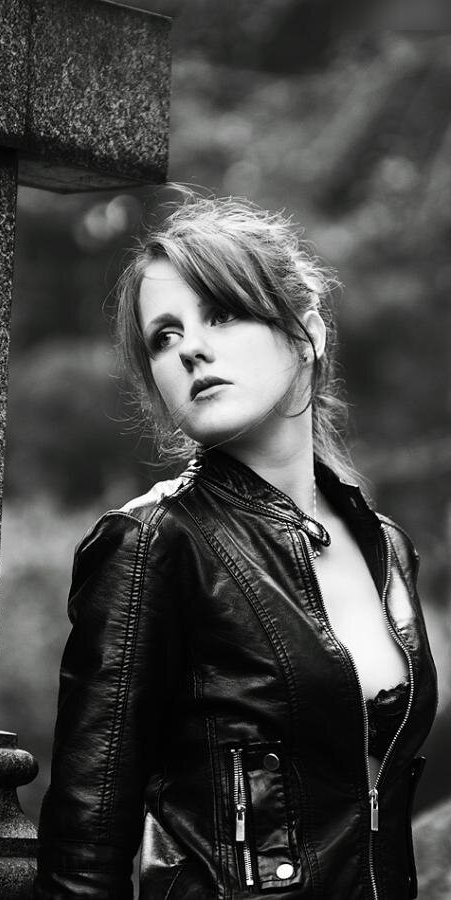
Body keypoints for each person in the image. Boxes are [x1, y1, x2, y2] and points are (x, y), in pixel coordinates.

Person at [34, 192, 438, 900]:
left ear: (306, 331)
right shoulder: (152, 545)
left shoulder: (388, 550)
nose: (190, 348)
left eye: (221, 314)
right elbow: (83, 856)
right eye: (164, 336)